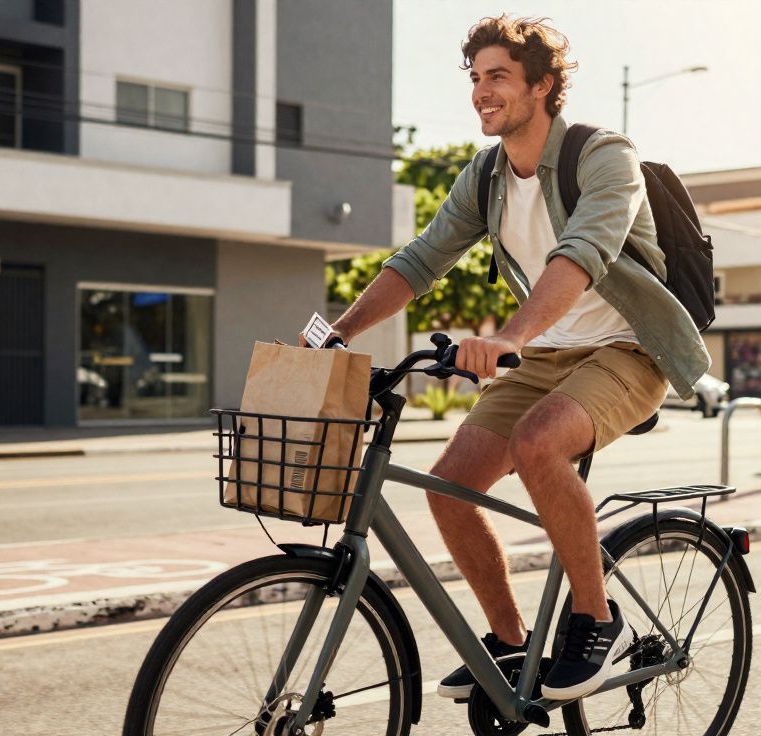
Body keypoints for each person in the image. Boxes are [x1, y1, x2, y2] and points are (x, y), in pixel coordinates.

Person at [302, 15, 708, 700]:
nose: (482, 91)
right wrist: (338, 333)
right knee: (448, 484)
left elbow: (582, 253)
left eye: (498, 76)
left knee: (537, 444)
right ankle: (512, 642)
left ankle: (596, 618)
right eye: (475, 77)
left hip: (629, 349)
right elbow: (423, 259)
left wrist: (509, 337)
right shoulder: (487, 174)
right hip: (546, 353)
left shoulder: (604, 157)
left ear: (543, 86)